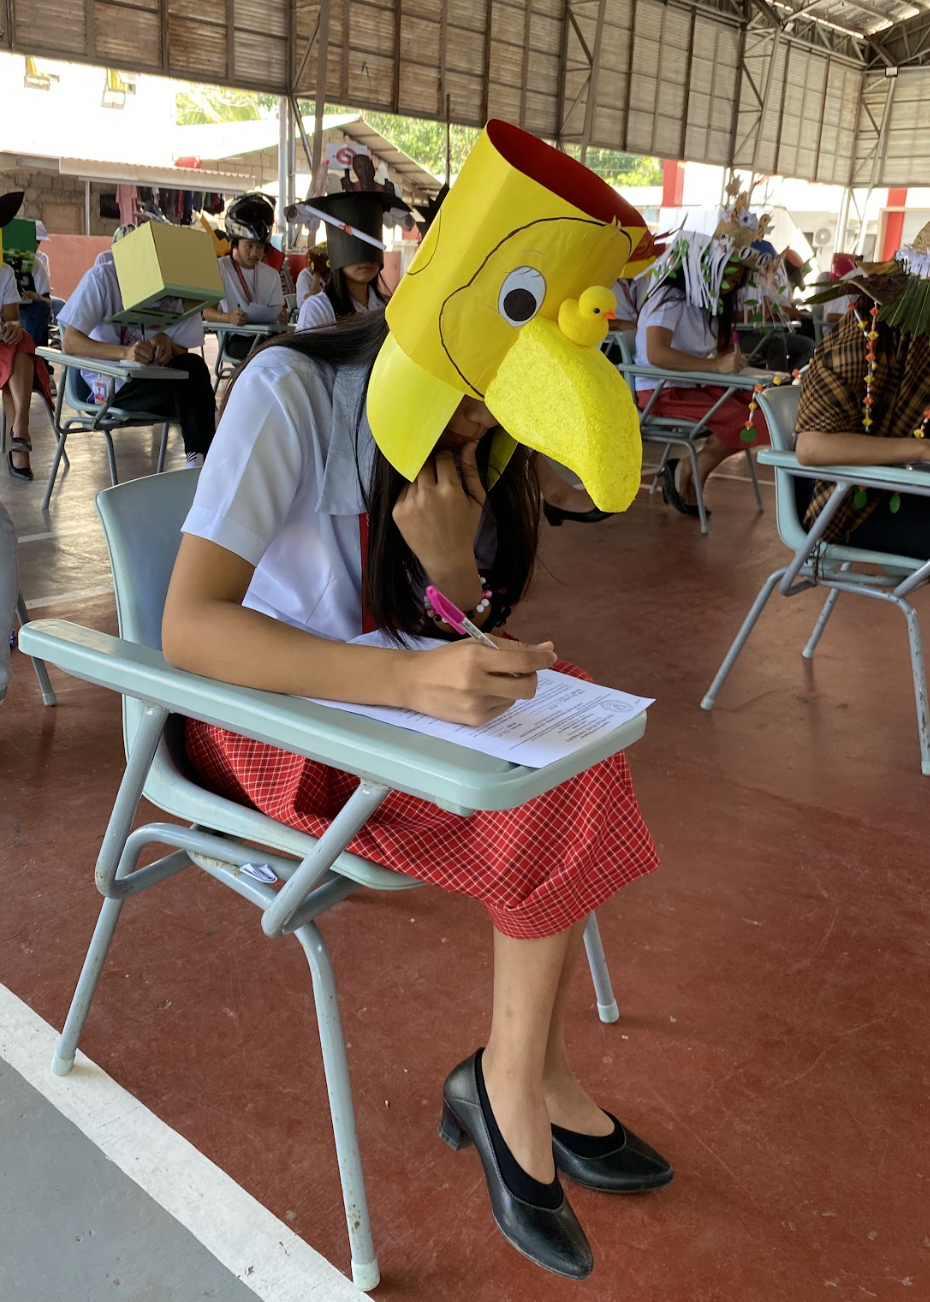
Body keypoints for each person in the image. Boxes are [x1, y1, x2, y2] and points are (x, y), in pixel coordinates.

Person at [163, 120, 671, 1281]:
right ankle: (513, 1085)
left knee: (567, 733)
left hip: (378, 717)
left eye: (507, 419)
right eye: (485, 406)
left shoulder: (473, 446)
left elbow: (445, 628)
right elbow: (189, 629)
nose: (487, 432)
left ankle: (521, 1073)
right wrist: (407, 676)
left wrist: (450, 583)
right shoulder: (292, 391)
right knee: (549, 786)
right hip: (263, 725)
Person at [796, 221, 930, 555]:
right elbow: (812, 448)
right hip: (843, 501)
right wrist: (921, 449)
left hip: (905, 486)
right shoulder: (861, 336)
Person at [634, 199, 773, 518]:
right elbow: (657, 354)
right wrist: (714, 367)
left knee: (759, 413)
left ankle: (687, 469)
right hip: (660, 392)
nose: (734, 283)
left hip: (693, 386)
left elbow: (723, 353)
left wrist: (732, 363)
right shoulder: (669, 298)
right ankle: (688, 472)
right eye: (730, 273)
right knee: (746, 421)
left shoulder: (712, 304)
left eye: (739, 277)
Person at [56, 230, 215, 468]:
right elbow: (70, 342)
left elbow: (182, 353)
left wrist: (166, 343)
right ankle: (203, 462)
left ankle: (198, 461)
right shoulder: (102, 278)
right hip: (111, 386)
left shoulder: (175, 287)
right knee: (194, 394)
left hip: (152, 381)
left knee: (195, 370)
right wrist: (125, 353)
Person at [1, 193, 52, 482]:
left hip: (1, 344)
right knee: (15, 351)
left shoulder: (5, 273)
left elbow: (12, 317)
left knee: (21, 340)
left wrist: (10, 325)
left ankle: (20, 425)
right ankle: (19, 442)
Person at [294, 190, 395, 331]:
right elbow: (303, 353)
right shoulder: (318, 308)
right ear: (336, 250)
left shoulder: (386, 307)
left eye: (371, 245)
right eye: (354, 246)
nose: (366, 258)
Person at [204, 194, 286, 361]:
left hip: (267, 338)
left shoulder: (271, 275)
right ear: (236, 243)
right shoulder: (221, 268)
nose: (255, 253)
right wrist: (228, 317)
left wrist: (281, 317)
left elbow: (278, 312)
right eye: (249, 246)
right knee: (270, 358)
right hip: (237, 340)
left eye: (260, 247)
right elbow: (206, 312)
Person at [735, 241, 815, 373]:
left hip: (763, 332)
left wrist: (777, 312)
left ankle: (784, 380)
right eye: (766, 265)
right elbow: (726, 317)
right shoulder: (738, 282)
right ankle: (775, 387)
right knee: (776, 342)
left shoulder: (764, 283)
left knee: (807, 345)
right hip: (740, 336)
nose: (770, 269)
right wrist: (753, 314)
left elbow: (776, 309)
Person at [294, 244, 330, 308]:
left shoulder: (333, 274)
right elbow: (311, 302)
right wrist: (316, 272)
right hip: (308, 314)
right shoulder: (304, 276)